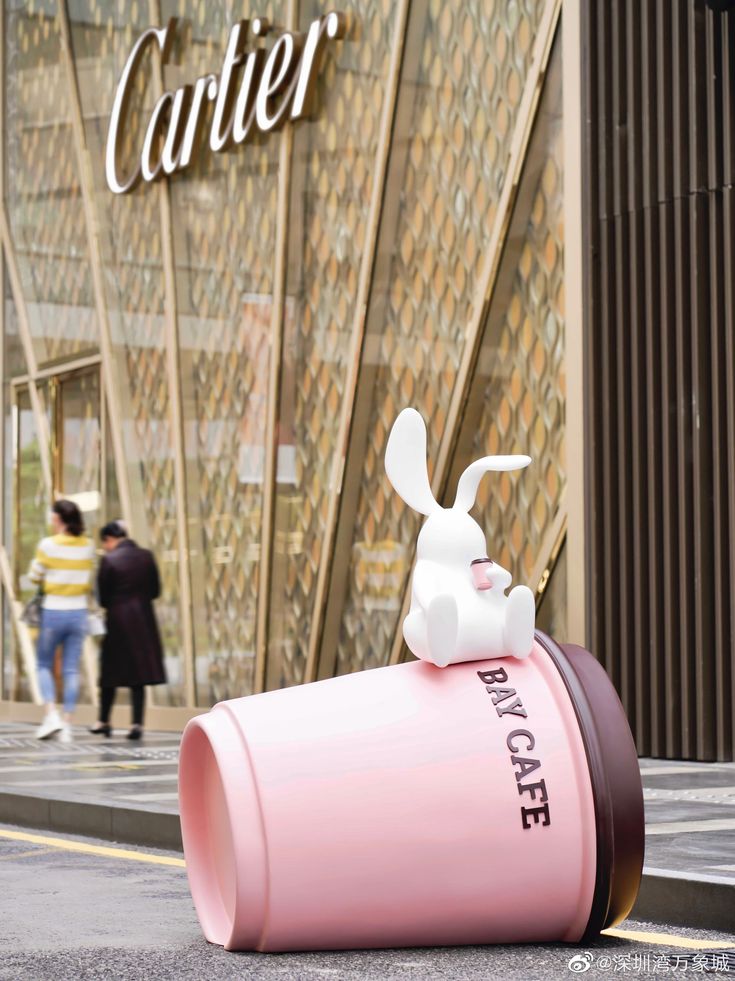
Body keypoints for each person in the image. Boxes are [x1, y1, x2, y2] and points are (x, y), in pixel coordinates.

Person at [91, 521, 166, 740]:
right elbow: (155, 590)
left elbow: (102, 597)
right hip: (143, 619)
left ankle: (104, 720)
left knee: (109, 673)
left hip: (117, 621)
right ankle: (136, 724)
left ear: (109, 539)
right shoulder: (146, 556)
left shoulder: (109, 560)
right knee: (138, 676)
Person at [30, 500, 95, 743]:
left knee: (43, 665)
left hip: (53, 612)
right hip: (78, 613)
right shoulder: (88, 546)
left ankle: (51, 715)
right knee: (70, 669)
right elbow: (88, 581)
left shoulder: (48, 545)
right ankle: (67, 724)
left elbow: (35, 576)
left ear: (58, 518)